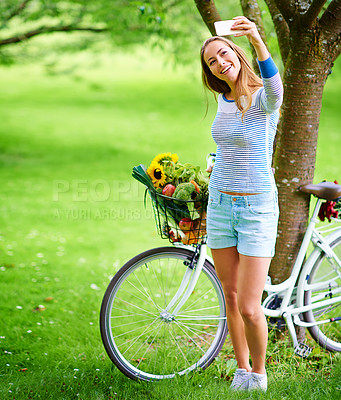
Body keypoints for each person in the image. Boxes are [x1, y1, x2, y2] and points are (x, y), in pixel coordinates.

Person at [200, 16, 283, 392]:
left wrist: (255, 36)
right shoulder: (222, 100)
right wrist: (215, 163)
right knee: (230, 297)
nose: (220, 63)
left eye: (222, 53)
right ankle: (241, 370)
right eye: (212, 62)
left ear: (235, 51)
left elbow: (276, 86)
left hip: (257, 210)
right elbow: (227, 144)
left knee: (250, 306)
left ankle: (261, 372)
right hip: (220, 205)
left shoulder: (264, 98)